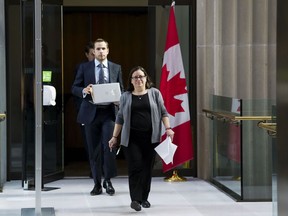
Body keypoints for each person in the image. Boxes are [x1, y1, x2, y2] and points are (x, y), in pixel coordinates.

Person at [108, 66, 175, 211]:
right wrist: (114, 137)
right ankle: (136, 200)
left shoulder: (155, 93)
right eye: (135, 77)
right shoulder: (125, 96)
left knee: (146, 169)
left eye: (141, 76)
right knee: (135, 167)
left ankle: (145, 198)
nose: (138, 79)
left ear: (146, 78)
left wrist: (168, 128)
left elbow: (164, 112)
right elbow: (120, 118)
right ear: (131, 81)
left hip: (151, 138)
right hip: (131, 139)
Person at [71, 38, 124, 196]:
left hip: (108, 113)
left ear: (108, 50)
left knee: (109, 147)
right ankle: (96, 183)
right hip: (90, 114)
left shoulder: (116, 68)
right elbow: (74, 87)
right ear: (93, 51)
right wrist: (84, 91)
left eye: (103, 49)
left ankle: (108, 180)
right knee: (93, 150)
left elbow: (121, 87)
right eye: (98, 49)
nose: (101, 52)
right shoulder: (84, 67)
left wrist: (119, 99)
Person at [73, 41, 95, 178]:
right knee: (89, 142)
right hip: (86, 109)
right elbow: (76, 88)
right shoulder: (81, 68)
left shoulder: (107, 67)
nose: (95, 56)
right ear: (87, 55)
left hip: (103, 110)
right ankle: (94, 169)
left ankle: (105, 169)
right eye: (92, 54)